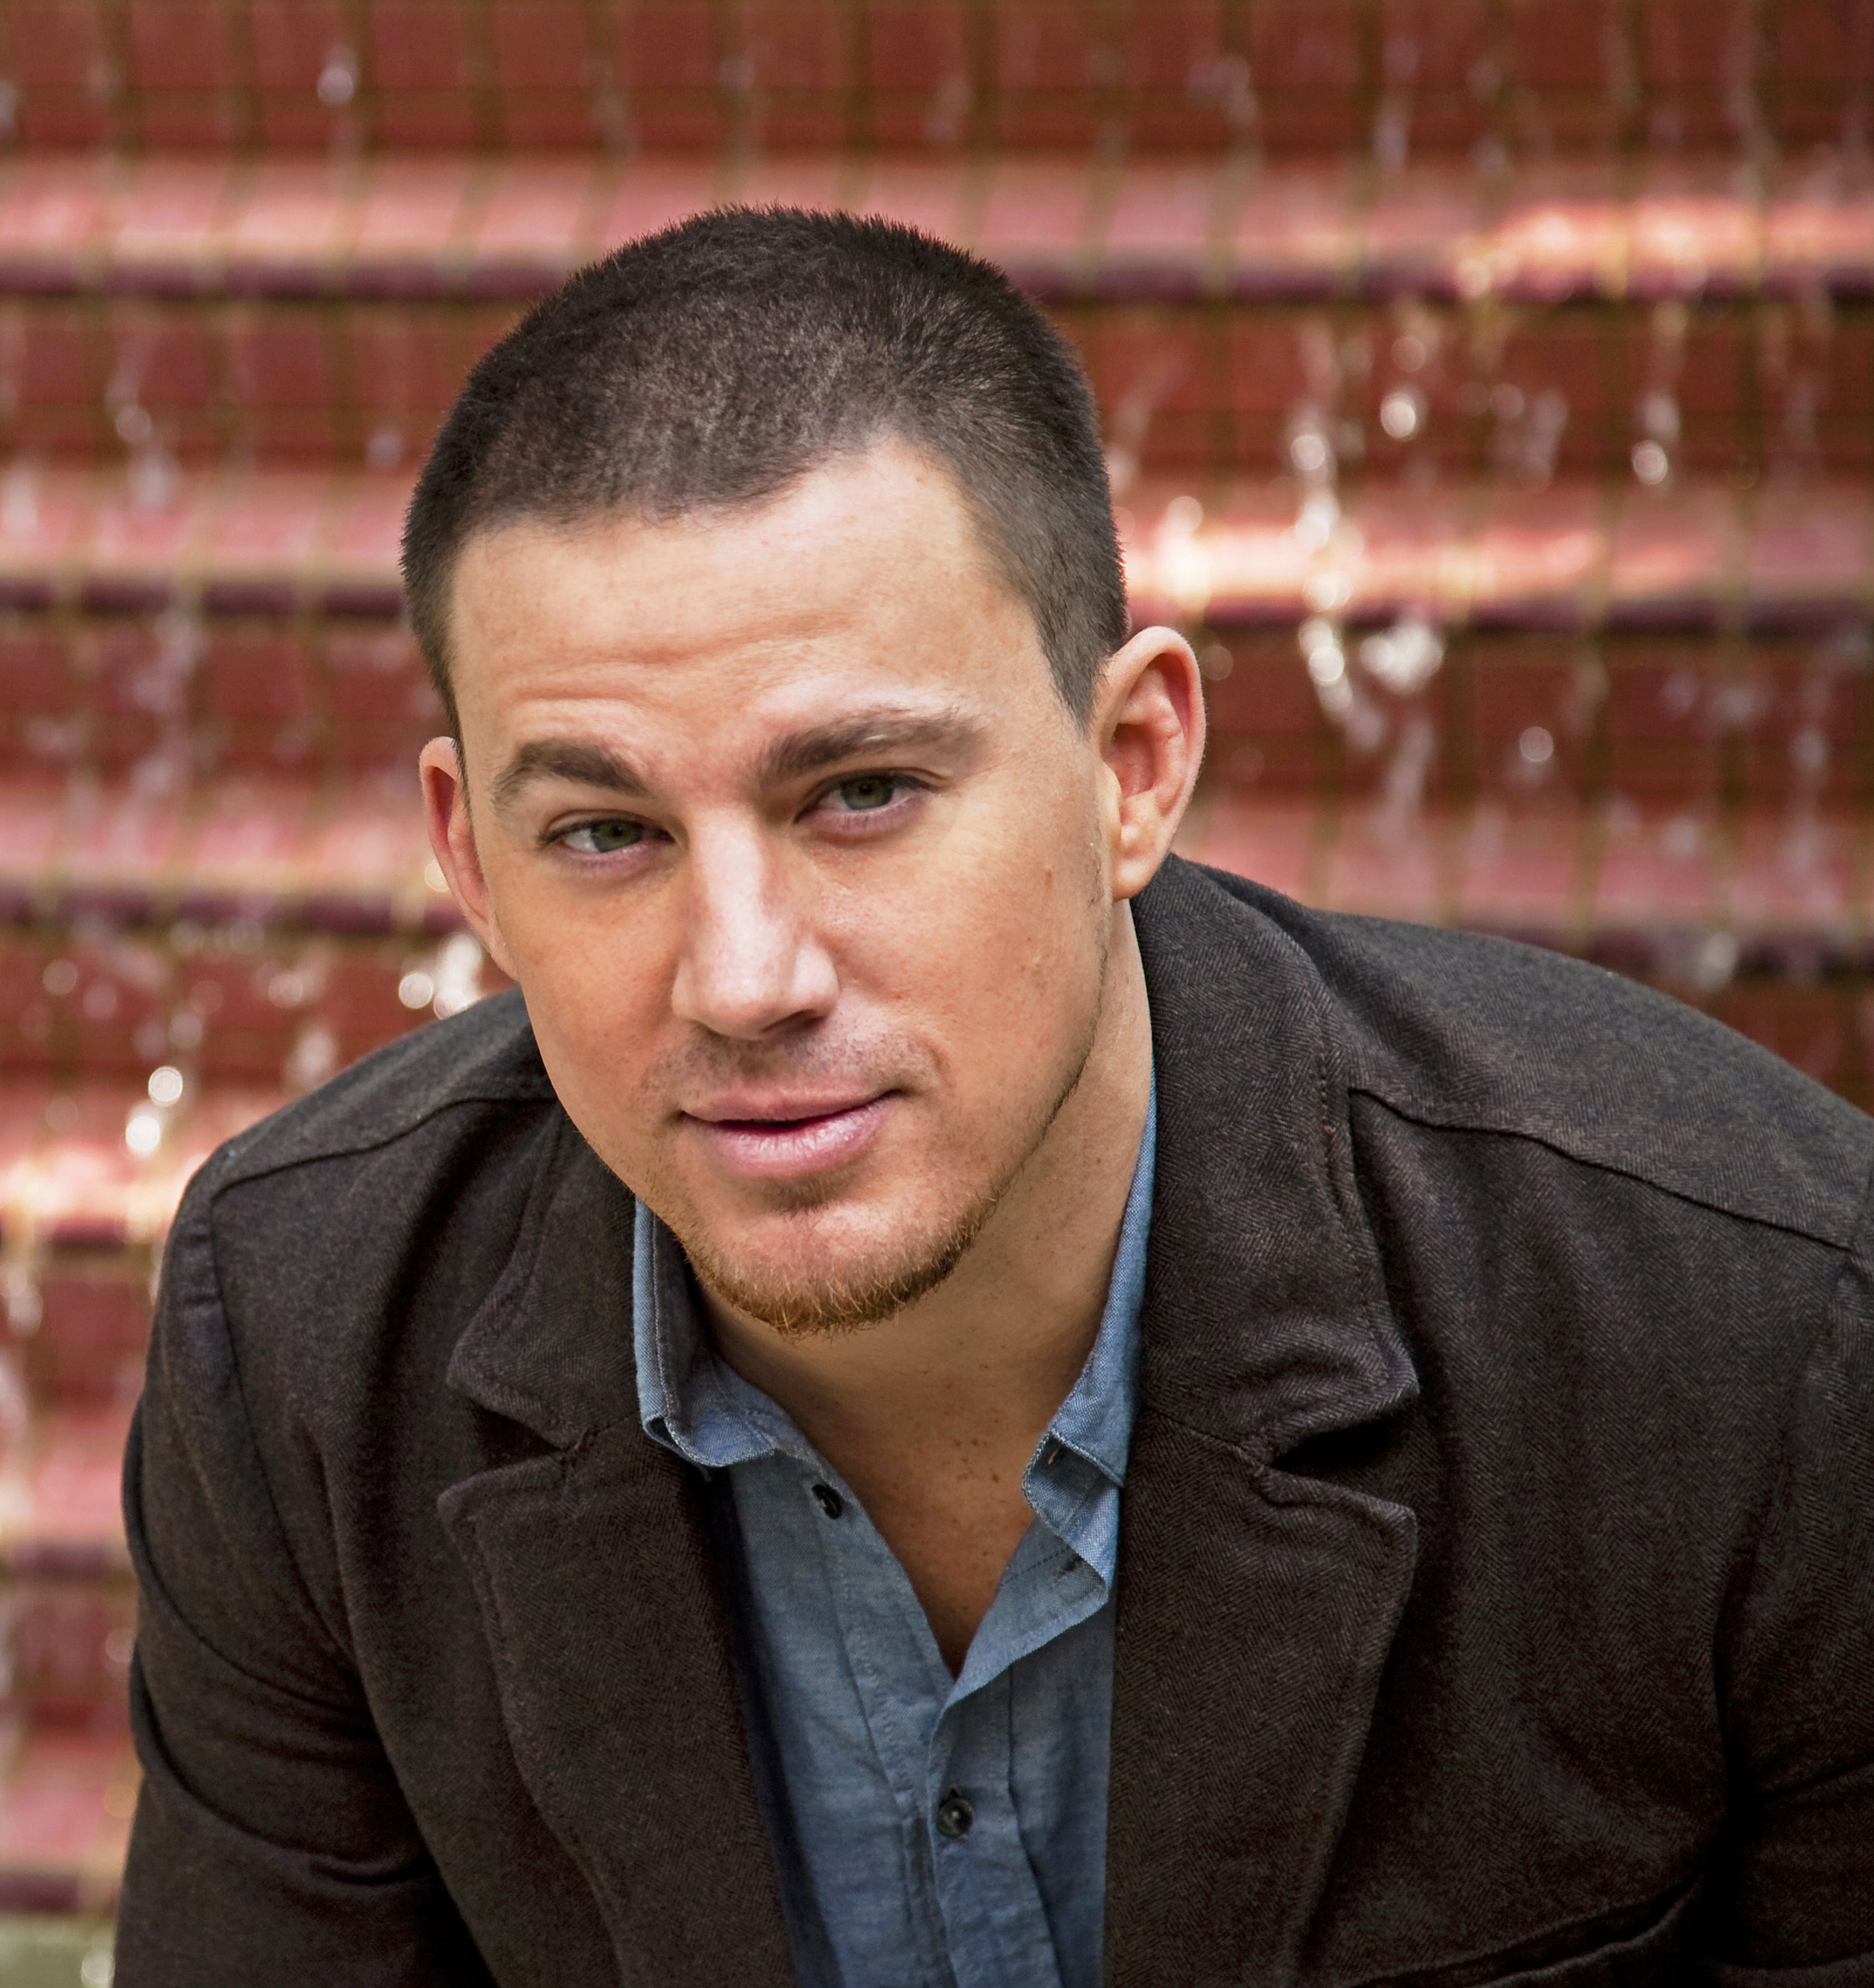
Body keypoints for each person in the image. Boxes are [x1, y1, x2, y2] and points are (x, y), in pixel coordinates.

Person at [111, 210, 1874, 1986]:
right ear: (470, 865)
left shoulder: (1756, 1336)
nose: (744, 978)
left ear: (1132, 768)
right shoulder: (304, 1345)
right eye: (603, 833)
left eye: (862, 793)